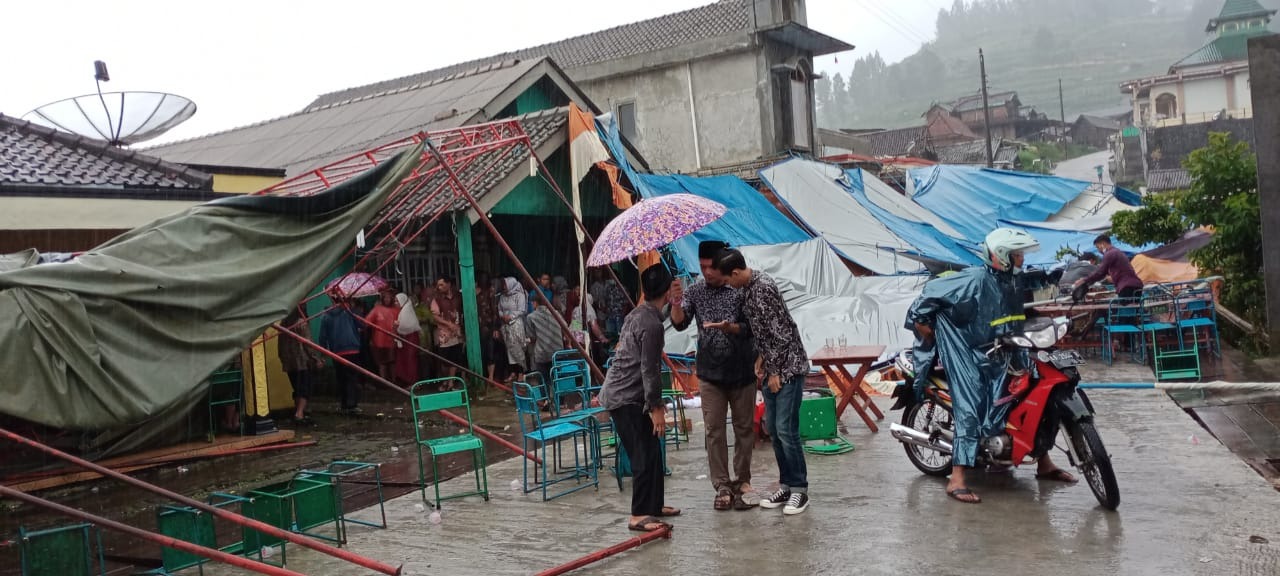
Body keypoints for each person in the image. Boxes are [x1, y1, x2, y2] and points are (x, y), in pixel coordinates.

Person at [907, 228, 1076, 505]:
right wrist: (934, 335)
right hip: (968, 352)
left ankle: (1043, 461)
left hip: (1006, 349)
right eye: (1017, 254)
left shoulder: (1013, 281)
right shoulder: (973, 280)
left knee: (1035, 398)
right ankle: (957, 478)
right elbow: (926, 301)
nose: (1022, 259)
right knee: (970, 406)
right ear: (1001, 256)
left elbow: (1022, 311)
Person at [716, 249, 810, 516]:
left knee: (786, 429)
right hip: (770, 365)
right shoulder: (747, 290)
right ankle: (787, 484)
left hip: (787, 367)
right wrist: (761, 358)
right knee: (774, 429)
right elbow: (762, 331)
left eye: (728, 280)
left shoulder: (763, 288)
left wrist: (776, 372)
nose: (728, 286)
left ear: (735, 273)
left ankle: (800, 489)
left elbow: (781, 333)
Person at [669, 240, 759, 511]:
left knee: (744, 429)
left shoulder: (739, 289)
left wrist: (730, 328)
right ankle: (721, 485)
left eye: (712, 266)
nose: (707, 272)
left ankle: (742, 482)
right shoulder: (695, 291)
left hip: (742, 372)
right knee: (714, 431)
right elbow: (680, 322)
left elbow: (751, 327)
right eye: (703, 266)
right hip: (709, 373)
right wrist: (675, 301)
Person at [598, 265, 681, 532]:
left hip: (629, 392)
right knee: (643, 454)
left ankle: (654, 505)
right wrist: (656, 407)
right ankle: (639, 514)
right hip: (625, 398)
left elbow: (661, 318)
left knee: (654, 449)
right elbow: (650, 369)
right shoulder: (651, 324)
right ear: (667, 292)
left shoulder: (641, 313)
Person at [278, 308, 324, 426]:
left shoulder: (283, 324)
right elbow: (307, 343)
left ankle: (298, 412)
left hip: (289, 361)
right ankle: (299, 413)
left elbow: (280, 346)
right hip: (302, 361)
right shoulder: (301, 322)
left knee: (297, 387)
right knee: (304, 387)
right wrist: (315, 358)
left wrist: (283, 359)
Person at [320, 295, 364, 415]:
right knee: (352, 378)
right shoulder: (350, 313)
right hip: (352, 349)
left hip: (336, 352)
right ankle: (352, 405)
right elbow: (363, 325)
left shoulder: (326, 315)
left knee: (341, 379)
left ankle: (345, 404)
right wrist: (354, 311)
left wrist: (323, 354)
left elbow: (323, 336)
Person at [1073, 235, 1144, 298]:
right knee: (1134, 311)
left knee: (1124, 311)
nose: (1099, 250)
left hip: (1127, 287)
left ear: (1102, 244)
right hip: (1135, 285)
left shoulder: (1110, 253)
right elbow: (1103, 274)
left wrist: (1084, 280)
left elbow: (1100, 272)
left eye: (1098, 247)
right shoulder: (1117, 251)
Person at [431, 277, 465, 388]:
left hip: (457, 333)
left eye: (441, 284)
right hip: (443, 334)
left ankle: (450, 382)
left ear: (449, 284)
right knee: (444, 360)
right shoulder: (437, 299)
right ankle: (446, 380)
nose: (439, 287)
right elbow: (434, 316)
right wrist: (448, 324)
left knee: (455, 357)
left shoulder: (458, 297)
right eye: (438, 285)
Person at [526, 298, 564, 387]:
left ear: (535, 303)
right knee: (558, 380)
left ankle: (545, 400)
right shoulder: (556, 313)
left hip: (543, 354)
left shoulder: (531, 317)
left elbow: (532, 337)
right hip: (558, 352)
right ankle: (559, 400)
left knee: (543, 380)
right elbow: (565, 327)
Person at [366, 287, 400, 384]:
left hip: (393, 340)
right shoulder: (377, 309)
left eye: (389, 297)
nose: (387, 299)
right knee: (382, 363)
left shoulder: (396, 310)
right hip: (379, 341)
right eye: (385, 297)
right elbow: (367, 322)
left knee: (392, 362)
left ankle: (394, 381)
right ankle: (384, 382)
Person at [498, 277, 530, 376]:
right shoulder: (502, 296)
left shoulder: (519, 295)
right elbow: (499, 309)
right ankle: (513, 372)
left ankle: (521, 372)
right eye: (503, 285)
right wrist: (502, 316)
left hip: (516, 324)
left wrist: (510, 317)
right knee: (509, 349)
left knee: (518, 348)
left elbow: (522, 310)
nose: (503, 287)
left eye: (505, 284)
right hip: (505, 325)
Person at [476, 277, 502, 384]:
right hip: (479, 328)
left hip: (489, 327)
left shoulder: (490, 296)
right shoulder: (474, 296)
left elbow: (495, 313)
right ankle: (485, 376)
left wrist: (496, 328)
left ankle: (491, 377)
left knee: (490, 352)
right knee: (483, 352)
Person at [393, 292, 421, 387]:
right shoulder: (404, 310)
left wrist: (397, 326)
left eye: (397, 301)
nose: (395, 303)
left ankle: (413, 382)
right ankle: (410, 381)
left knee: (410, 361)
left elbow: (406, 327)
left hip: (411, 339)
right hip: (407, 339)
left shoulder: (406, 311)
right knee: (407, 360)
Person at [413, 285, 437, 381]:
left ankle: (427, 378)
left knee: (426, 357)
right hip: (416, 335)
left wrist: (423, 319)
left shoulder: (424, 306)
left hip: (426, 335)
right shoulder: (414, 307)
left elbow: (431, 320)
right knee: (419, 358)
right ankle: (422, 379)